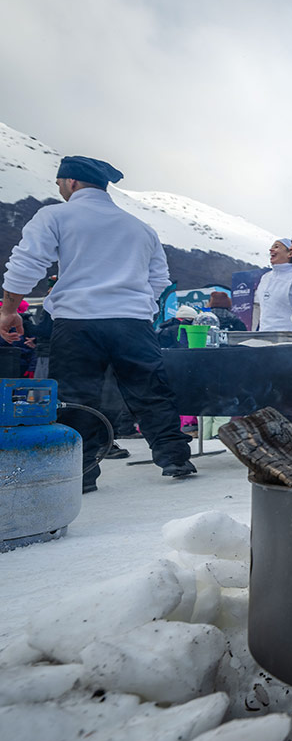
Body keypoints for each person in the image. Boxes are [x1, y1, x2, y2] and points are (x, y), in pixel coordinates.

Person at [0, 156, 195, 491]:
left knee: (78, 397)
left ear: (71, 182)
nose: (59, 188)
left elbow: (27, 263)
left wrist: (8, 309)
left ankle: (83, 473)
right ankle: (175, 457)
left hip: (78, 322)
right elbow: (160, 280)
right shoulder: (140, 227)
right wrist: (138, 306)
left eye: (60, 182)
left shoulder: (56, 215)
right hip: (133, 322)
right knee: (150, 391)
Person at [254, 239, 292, 332]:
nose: (271, 250)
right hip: (264, 337)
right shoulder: (265, 277)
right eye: (271, 247)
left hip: (289, 338)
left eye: (276, 247)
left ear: (290, 253)